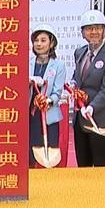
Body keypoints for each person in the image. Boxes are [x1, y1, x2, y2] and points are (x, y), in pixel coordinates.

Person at [72, 9, 105, 167]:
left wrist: (92, 107)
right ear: (82, 32)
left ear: (104, 31)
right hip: (81, 119)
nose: (93, 32)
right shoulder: (79, 52)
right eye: (89, 28)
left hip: (101, 118)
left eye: (98, 28)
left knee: (102, 168)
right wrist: (72, 85)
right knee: (83, 167)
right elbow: (78, 78)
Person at [28, 23, 66, 167]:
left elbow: (57, 92)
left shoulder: (59, 65)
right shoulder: (27, 62)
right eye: (36, 40)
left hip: (48, 116)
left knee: (49, 153)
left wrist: (47, 101)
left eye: (43, 40)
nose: (39, 44)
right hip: (30, 115)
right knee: (30, 154)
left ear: (52, 43)